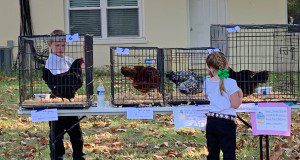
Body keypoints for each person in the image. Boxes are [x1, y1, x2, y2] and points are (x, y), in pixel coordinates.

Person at [46, 29, 85, 160]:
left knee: (75, 132)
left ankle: (78, 155)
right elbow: (57, 80)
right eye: (57, 45)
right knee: (56, 134)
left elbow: (76, 71)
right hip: (56, 101)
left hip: (69, 101)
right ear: (49, 45)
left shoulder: (68, 59)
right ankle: (57, 156)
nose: (60, 48)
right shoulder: (50, 62)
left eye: (63, 45)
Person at [204, 51, 243, 160]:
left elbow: (208, 97)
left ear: (210, 68)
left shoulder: (206, 82)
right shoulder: (231, 82)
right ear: (226, 65)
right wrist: (241, 96)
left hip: (211, 121)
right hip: (226, 123)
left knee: (212, 154)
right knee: (229, 153)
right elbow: (235, 104)